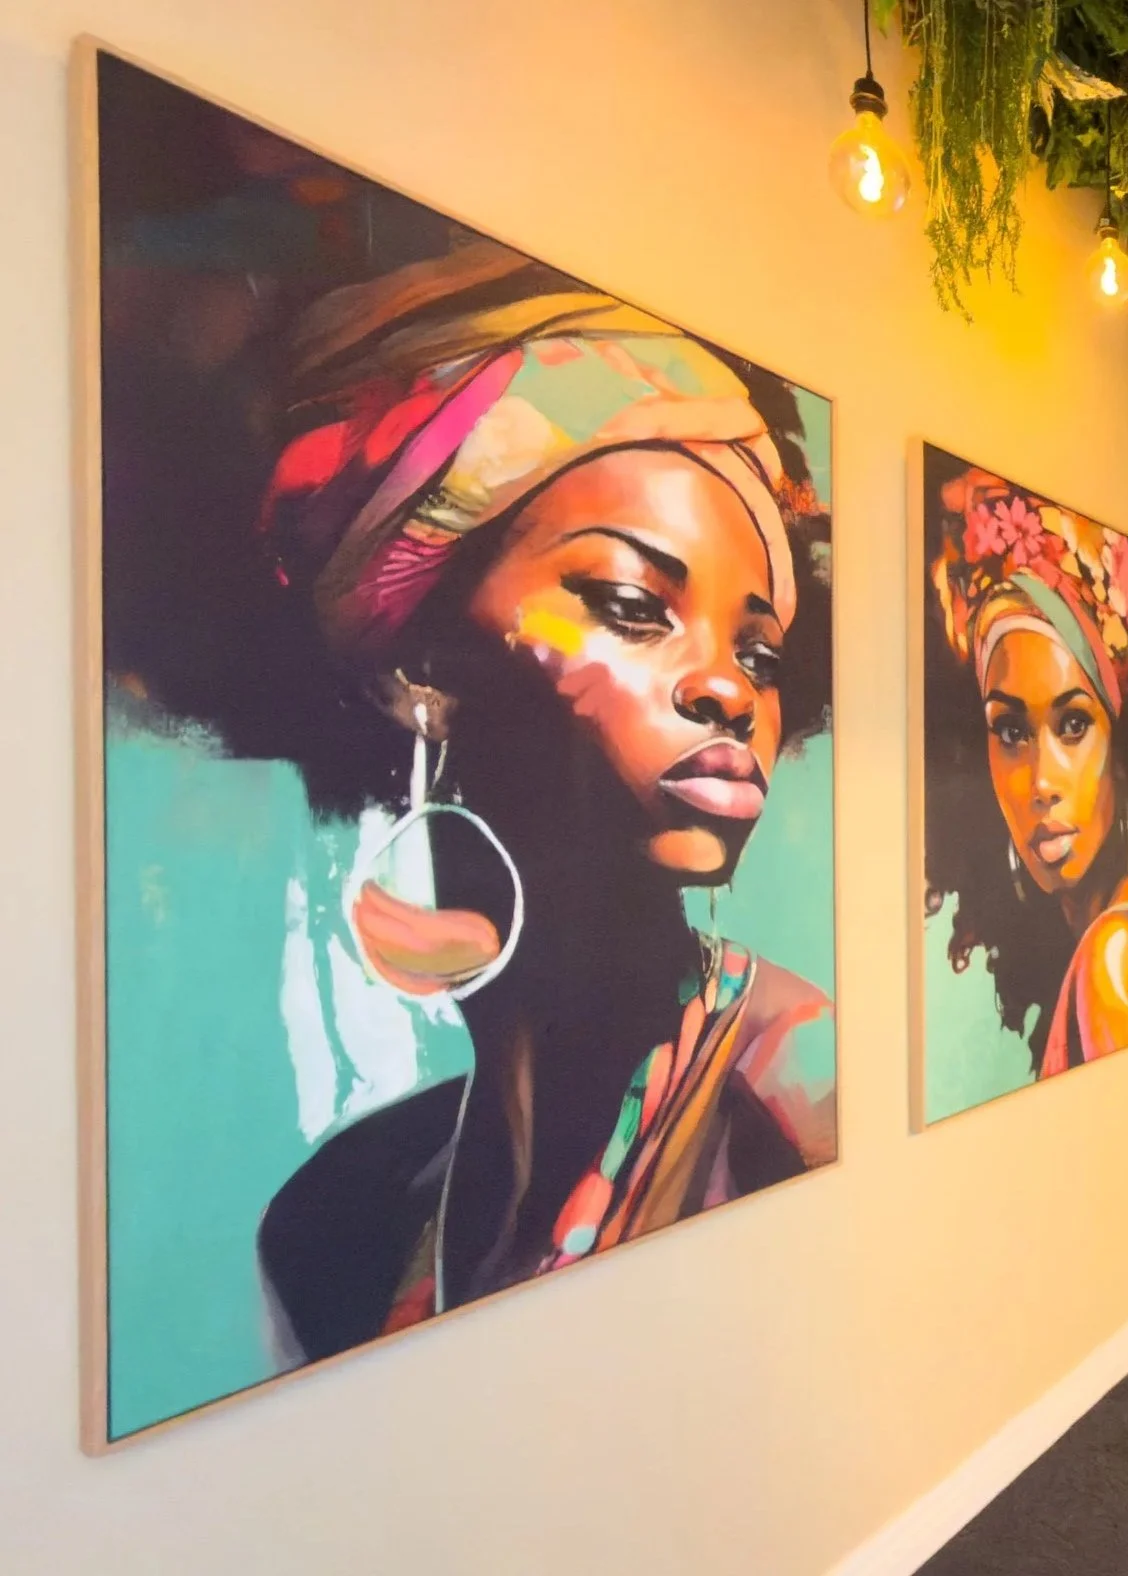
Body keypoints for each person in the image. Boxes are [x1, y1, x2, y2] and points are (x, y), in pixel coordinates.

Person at [251, 244, 837, 1364]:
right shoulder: (337, 1217)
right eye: (630, 601)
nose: (727, 686)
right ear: (422, 663)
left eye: (759, 653)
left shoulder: (800, 1092)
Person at [925, 462, 1128, 1078]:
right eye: (1010, 731)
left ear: (1118, 745)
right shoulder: (1109, 941)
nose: (1041, 782)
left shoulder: (1114, 957)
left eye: (1074, 725)